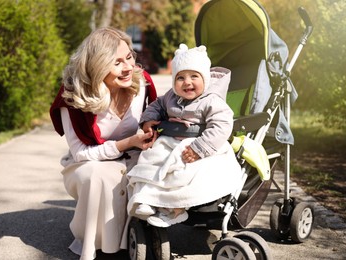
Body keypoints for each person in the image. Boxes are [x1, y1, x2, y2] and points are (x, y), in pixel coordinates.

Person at [49, 27, 157, 260]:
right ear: (97, 64)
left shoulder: (142, 83)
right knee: (99, 174)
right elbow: (80, 154)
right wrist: (126, 143)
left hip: (134, 155)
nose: (128, 67)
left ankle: (135, 234)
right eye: (117, 62)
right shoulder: (73, 95)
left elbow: (156, 115)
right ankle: (94, 242)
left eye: (129, 57)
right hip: (87, 164)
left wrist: (150, 127)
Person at [127, 43, 243, 227]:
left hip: (200, 146)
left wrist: (200, 148)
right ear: (174, 82)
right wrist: (148, 120)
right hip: (170, 142)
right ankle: (147, 198)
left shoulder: (212, 101)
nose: (187, 82)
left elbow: (222, 125)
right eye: (180, 77)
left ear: (205, 79)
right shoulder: (170, 97)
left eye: (194, 76)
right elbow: (156, 105)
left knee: (186, 173)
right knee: (150, 160)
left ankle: (176, 209)